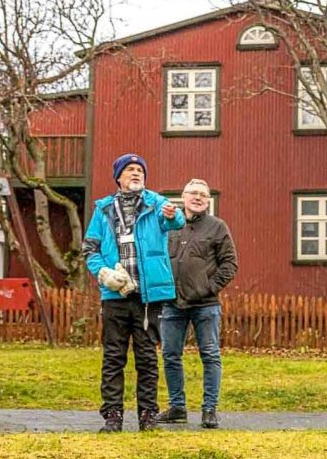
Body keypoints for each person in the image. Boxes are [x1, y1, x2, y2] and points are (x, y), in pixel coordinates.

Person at [83, 153, 184, 432]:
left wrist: (173, 214)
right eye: (130, 169)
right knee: (113, 357)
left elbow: (176, 222)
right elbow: (90, 249)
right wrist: (104, 274)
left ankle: (148, 417)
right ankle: (113, 416)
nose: (136, 173)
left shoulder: (156, 203)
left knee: (147, 357)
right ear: (118, 177)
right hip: (115, 296)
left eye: (140, 170)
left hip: (147, 297)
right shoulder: (103, 209)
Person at [157, 178, 237, 429]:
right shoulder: (170, 226)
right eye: (193, 193)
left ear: (208, 200)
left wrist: (208, 288)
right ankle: (177, 407)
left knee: (210, 355)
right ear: (183, 196)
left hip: (206, 305)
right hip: (172, 303)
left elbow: (230, 264)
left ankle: (209, 409)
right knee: (170, 355)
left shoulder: (217, 227)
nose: (198, 197)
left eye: (203, 194)